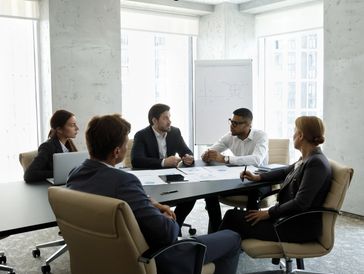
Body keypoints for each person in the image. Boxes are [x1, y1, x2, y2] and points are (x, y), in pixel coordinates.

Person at [67, 114, 241, 274]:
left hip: (102, 254)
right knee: (232, 237)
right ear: (116, 152)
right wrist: (168, 217)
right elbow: (166, 234)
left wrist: (149, 203)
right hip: (153, 257)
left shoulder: (76, 174)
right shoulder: (123, 181)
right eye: (126, 144)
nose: (127, 147)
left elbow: (116, 201)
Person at [219, 116, 332, 243]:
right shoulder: (308, 158)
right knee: (232, 216)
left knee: (232, 218)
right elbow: (284, 171)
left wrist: (268, 213)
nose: (293, 135)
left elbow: (301, 203)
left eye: (294, 131)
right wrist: (258, 177)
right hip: (287, 219)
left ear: (300, 135)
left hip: (295, 227)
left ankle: (214, 255)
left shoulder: (315, 163)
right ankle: (222, 251)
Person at [131, 103, 222, 233]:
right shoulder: (141, 135)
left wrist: (188, 158)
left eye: (170, 117)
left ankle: (175, 223)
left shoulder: (174, 132)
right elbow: (136, 160)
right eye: (165, 118)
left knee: (193, 193)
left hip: (171, 177)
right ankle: (170, 227)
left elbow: (186, 151)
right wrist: (163, 162)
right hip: (151, 180)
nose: (170, 121)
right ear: (155, 120)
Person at [201, 107, 269, 210]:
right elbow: (211, 150)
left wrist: (226, 159)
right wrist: (206, 155)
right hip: (238, 179)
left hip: (259, 179)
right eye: (231, 121)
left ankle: (250, 225)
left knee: (253, 192)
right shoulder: (230, 136)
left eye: (235, 123)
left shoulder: (261, 136)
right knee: (209, 190)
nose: (231, 126)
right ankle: (216, 224)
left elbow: (257, 160)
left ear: (248, 125)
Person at [24, 109, 79, 182]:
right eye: (72, 125)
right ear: (59, 129)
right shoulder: (47, 147)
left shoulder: (69, 144)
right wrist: (60, 174)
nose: (77, 128)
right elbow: (29, 175)